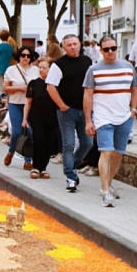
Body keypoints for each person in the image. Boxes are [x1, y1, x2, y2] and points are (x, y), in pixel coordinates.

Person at [84, 36, 137, 207]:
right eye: (106, 49)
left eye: (113, 48)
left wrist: (134, 110)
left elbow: (135, 89)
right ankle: (105, 191)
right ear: (100, 50)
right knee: (106, 152)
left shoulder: (128, 67)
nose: (110, 52)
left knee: (118, 153)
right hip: (103, 116)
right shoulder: (94, 69)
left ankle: (108, 183)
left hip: (124, 116)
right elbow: (87, 95)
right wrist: (88, 120)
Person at [46, 34, 93, 193]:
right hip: (67, 111)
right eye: (69, 45)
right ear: (63, 47)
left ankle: (72, 165)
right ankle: (70, 177)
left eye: (75, 44)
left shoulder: (87, 62)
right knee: (68, 144)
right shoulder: (59, 65)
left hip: (85, 110)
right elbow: (51, 87)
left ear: (79, 44)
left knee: (88, 143)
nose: (73, 47)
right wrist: (62, 105)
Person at [22, 57, 60, 179]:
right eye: (40, 68)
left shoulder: (56, 84)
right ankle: (36, 167)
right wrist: (25, 119)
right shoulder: (34, 84)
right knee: (39, 141)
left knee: (49, 143)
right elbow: (28, 103)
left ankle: (43, 167)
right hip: (36, 117)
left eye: (45, 68)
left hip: (52, 118)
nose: (42, 70)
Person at [2, 45, 36, 170]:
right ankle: (11, 151)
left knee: (31, 132)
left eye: (28, 56)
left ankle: (28, 160)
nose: (25, 58)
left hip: (31, 104)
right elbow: (5, 88)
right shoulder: (11, 70)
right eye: (23, 55)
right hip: (16, 103)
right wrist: (20, 88)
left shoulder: (35, 70)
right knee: (17, 131)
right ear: (19, 57)